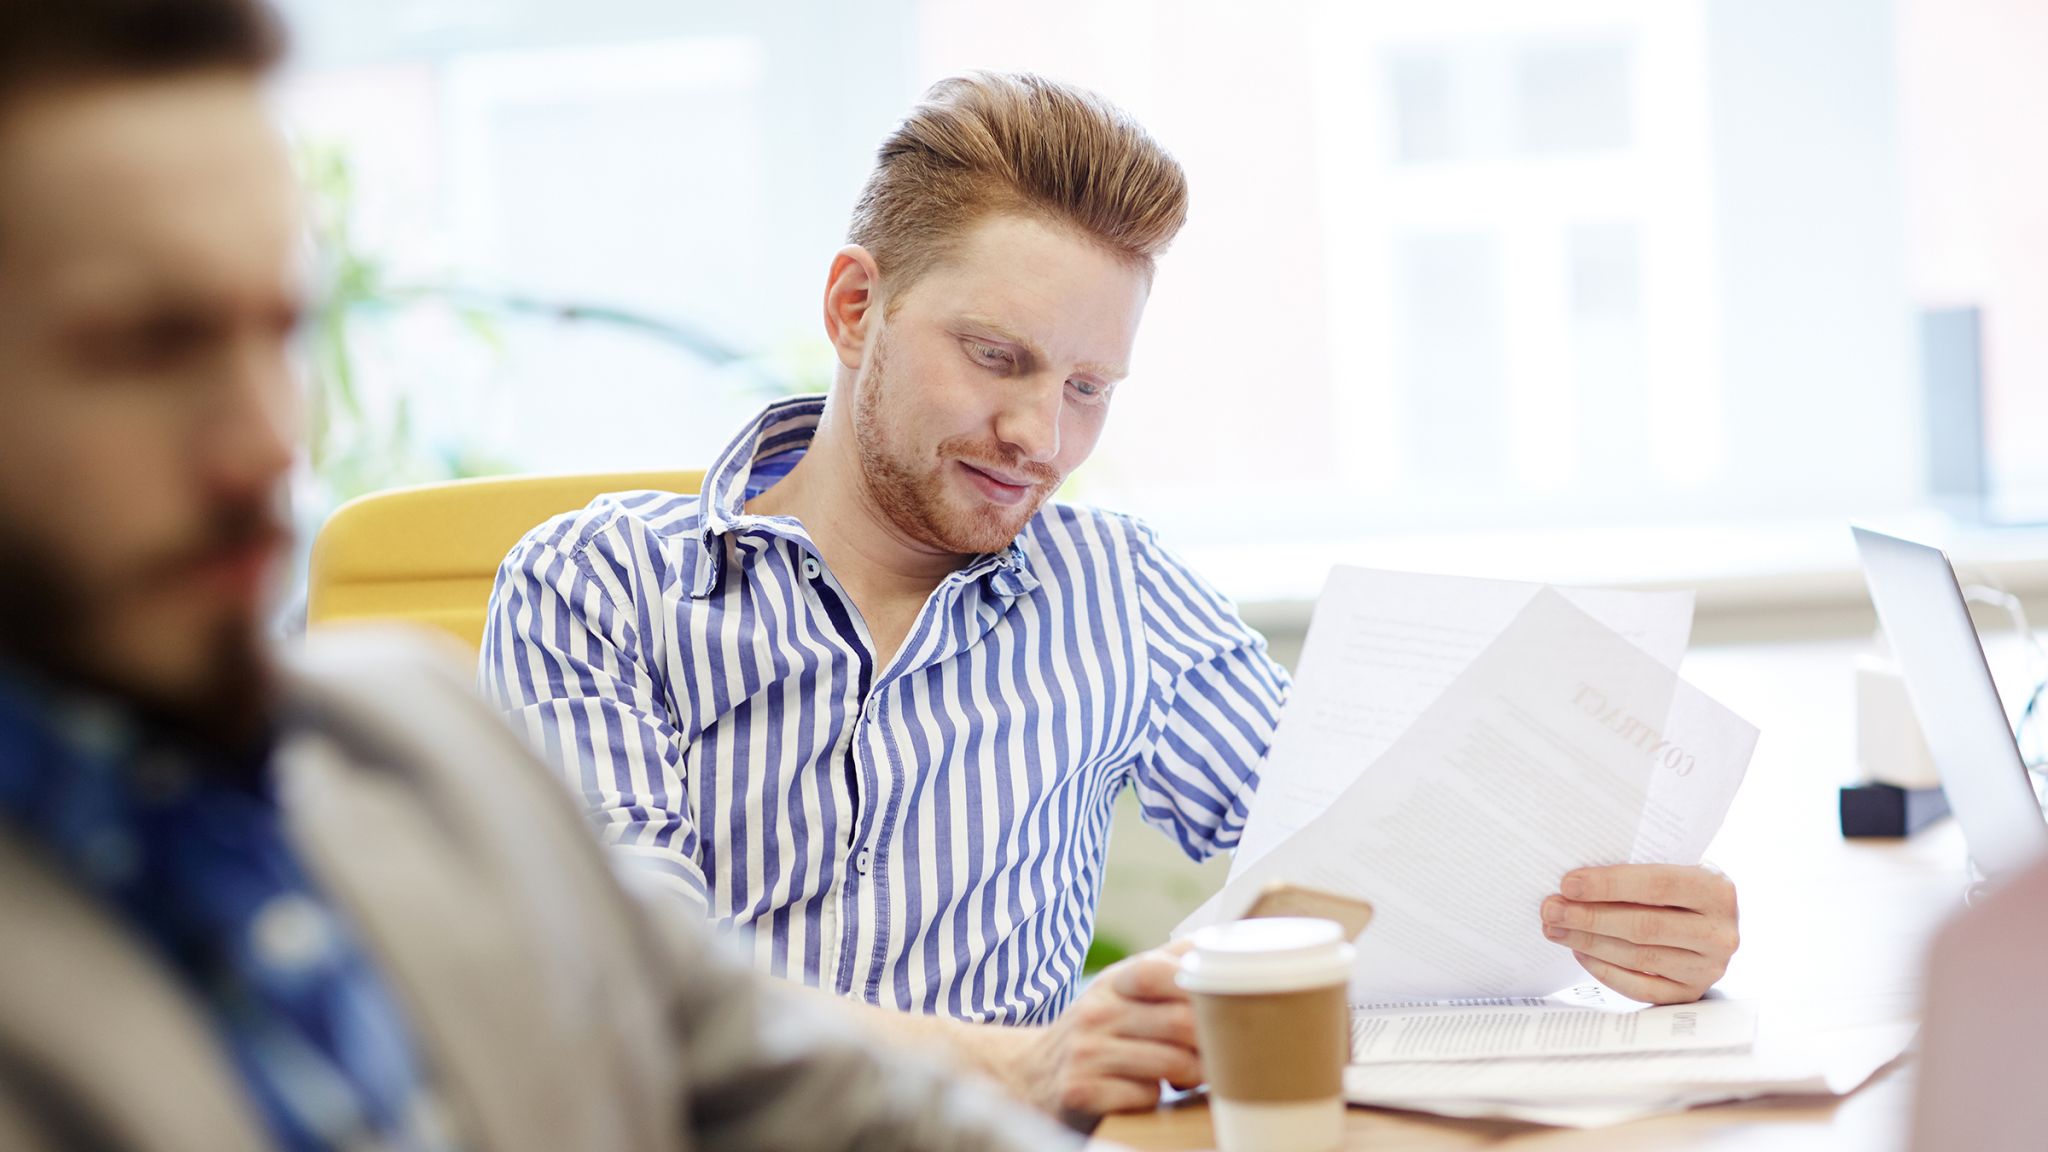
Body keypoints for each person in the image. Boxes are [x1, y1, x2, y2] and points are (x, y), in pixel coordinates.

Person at [483, 68, 1745, 1121]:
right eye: (998, 357)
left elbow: (1370, 865)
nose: (1040, 433)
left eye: (1091, 386)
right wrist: (1017, 1064)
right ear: (855, 306)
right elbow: (634, 986)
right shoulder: (592, 585)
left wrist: (1627, 929)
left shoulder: (1115, 593)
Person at [0, 3, 1081, 1149]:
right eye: (145, 345)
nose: (271, 440)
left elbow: (808, 1089)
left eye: (282, 332)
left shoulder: (422, 742)